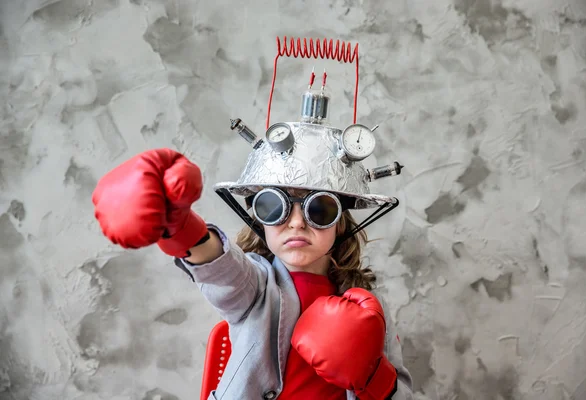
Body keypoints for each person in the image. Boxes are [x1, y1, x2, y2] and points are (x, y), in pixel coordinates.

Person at [91, 89, 413, 399]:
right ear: (259, 221)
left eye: (320, 209)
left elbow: (405, 394)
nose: (297, 222)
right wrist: (178, 226)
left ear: (340, 222)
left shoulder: (369, 307)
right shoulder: (256, 288)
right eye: (276, 207)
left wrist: (373, 378)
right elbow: (222, 271)